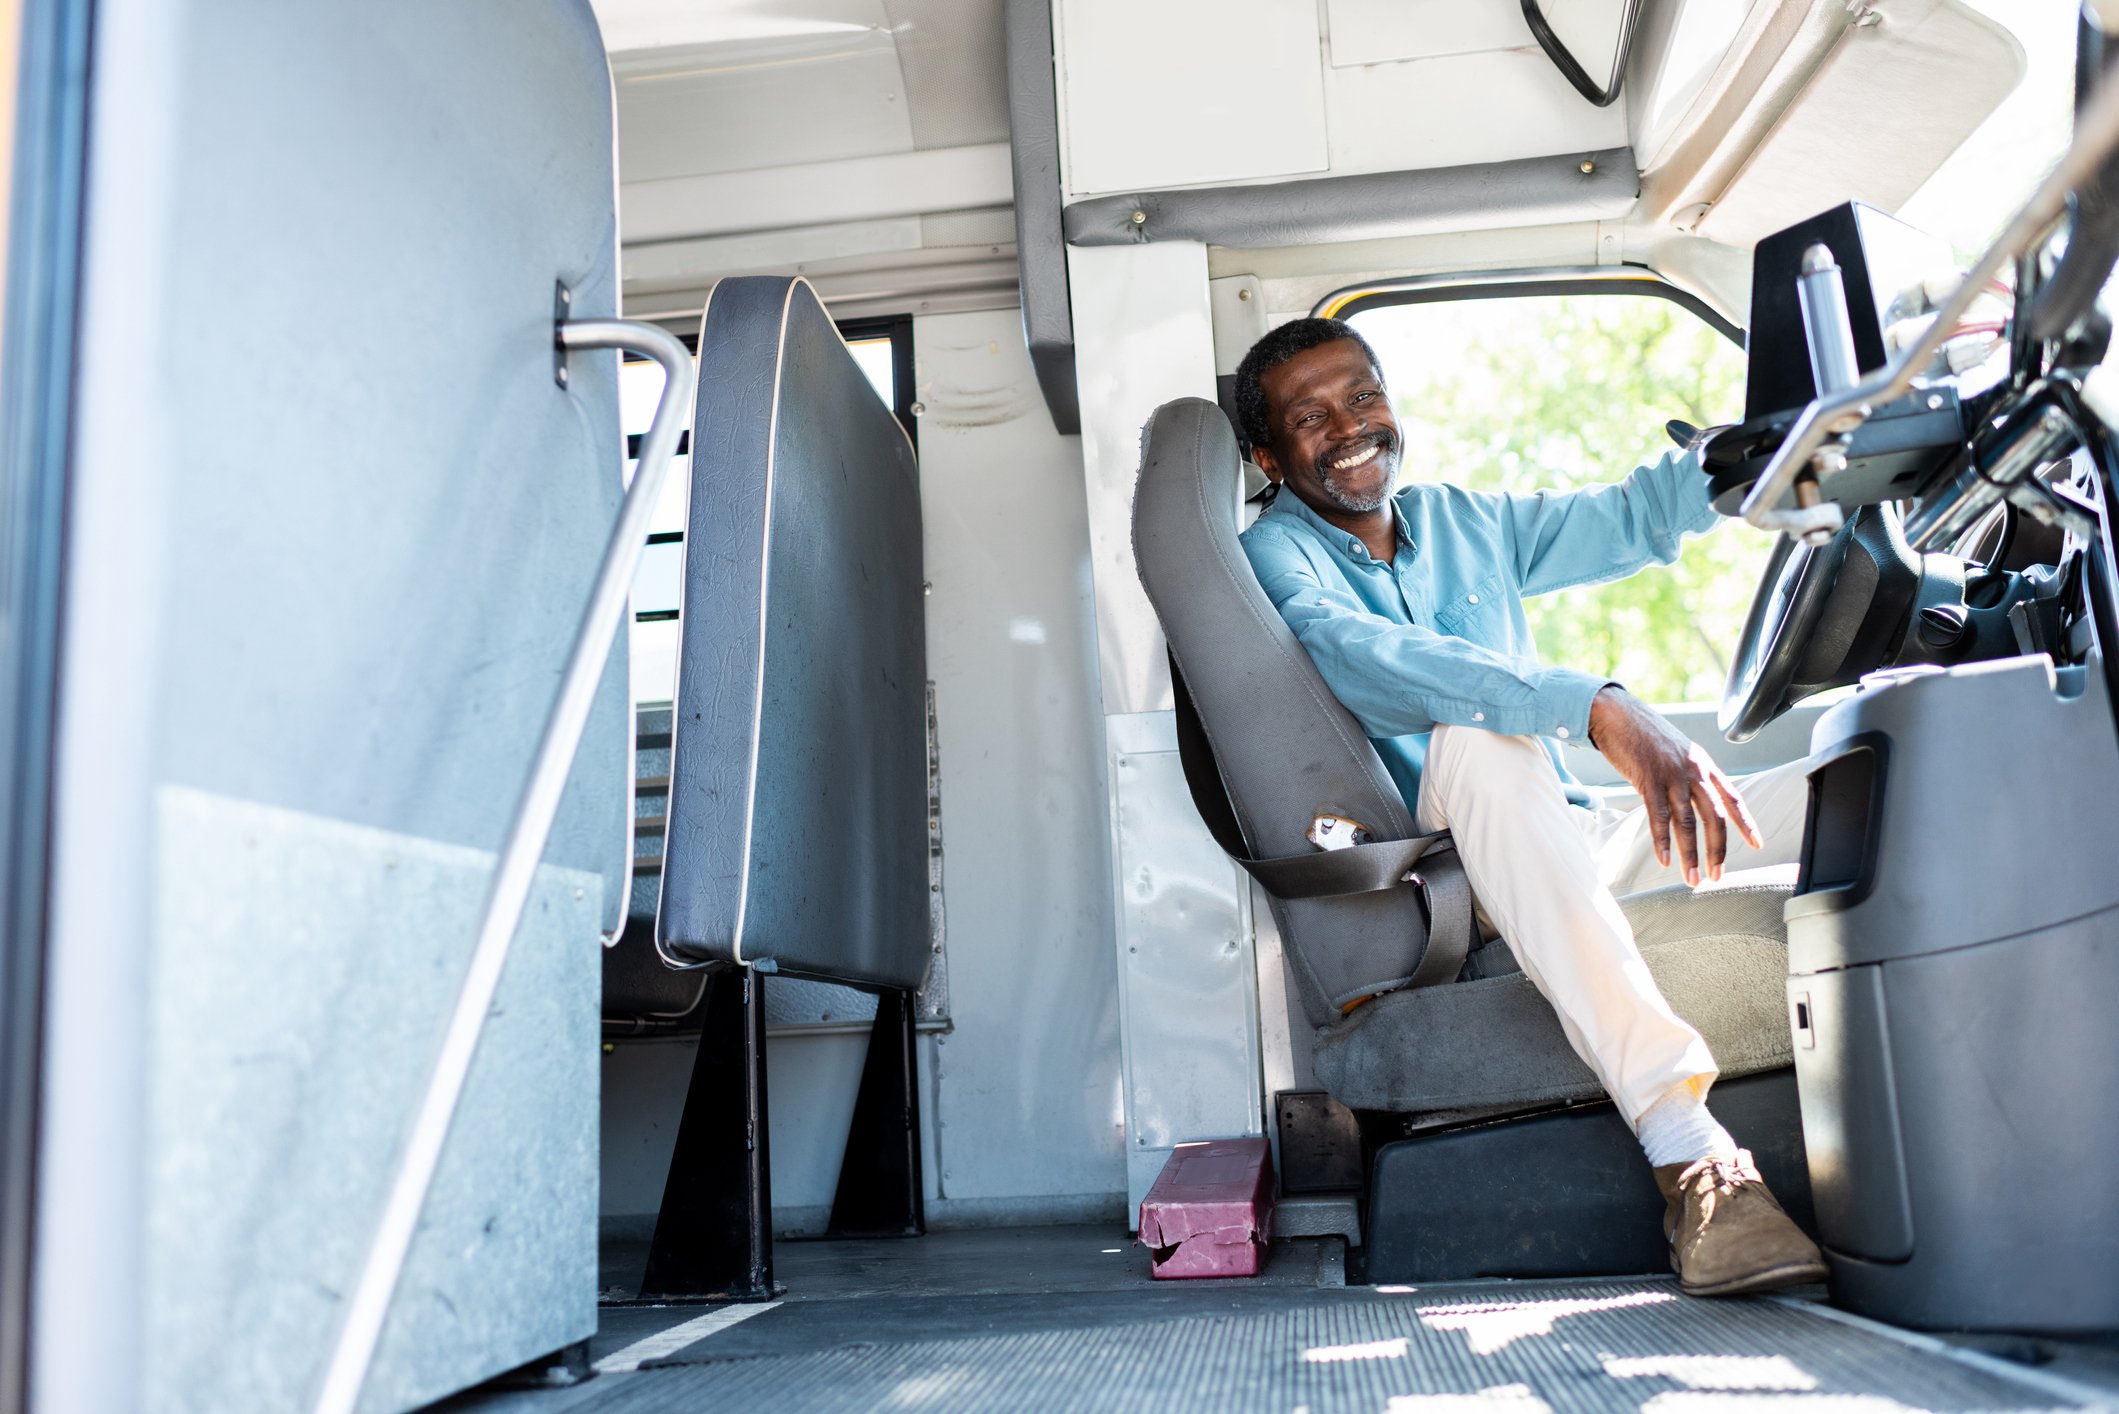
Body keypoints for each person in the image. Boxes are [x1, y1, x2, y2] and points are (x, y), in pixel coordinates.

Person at [1235, 316, 1826, 1297]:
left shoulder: (1465, 521)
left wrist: (1727, 463)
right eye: (1311, 416)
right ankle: (1689, 1152)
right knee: (1477, 732)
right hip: (1457, 872)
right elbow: (1368, 658)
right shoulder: (1278, 561)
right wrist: (1591, 705)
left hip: (1566, 834)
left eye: (1364, 396)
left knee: (1862, 759)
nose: (1350, 426)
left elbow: (1625, 519)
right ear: (1266, 453)